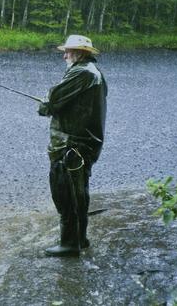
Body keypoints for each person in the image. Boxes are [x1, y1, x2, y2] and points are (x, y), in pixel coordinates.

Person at [38, 35, 107, 257]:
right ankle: (80, 238)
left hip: (72, 144)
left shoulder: (82, 72)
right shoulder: (93, 73)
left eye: (68, 51)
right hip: (83, 144)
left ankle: (69, 244)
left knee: (65, 192)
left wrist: (45, 105)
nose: (64, 55)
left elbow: (53, 98)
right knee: (79, 191)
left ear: (79, 53)